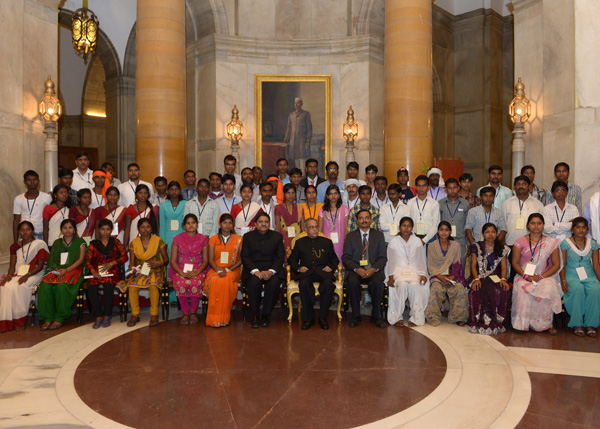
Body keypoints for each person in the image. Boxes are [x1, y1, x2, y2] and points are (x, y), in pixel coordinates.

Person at [511, 213, 561, 334]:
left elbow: (556, 265)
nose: (536, 226)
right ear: (528, 225)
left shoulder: (551, 242)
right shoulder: (520, 241)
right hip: (523, 275)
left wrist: (540, 276)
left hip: (543, 275)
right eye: (533, 223)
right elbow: (515, 262)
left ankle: (546, 324)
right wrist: (526, 276)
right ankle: (522, 323)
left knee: (548, 288)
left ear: (543, 225)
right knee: (523, 289)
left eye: (539, 223)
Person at [37, 219, 87, 330]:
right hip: (57, 270)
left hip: (73, 270)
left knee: (61, 286)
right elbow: (52, 260)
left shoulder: (80, 242)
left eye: (70, 227)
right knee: (44, 286)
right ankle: (48, 317)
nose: (67, 230)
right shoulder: (57, 243)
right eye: (65, 227)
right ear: (61, 230)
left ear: (74, 229)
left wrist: (66, 270)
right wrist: (56, 269)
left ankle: (59, 317)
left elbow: (80, 260)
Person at [289, 218, 339, 330]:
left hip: (323, 272)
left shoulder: (326, 242)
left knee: (328, 285)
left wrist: (330, 267)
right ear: (306, 229)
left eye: (316, 227)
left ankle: (323, 318)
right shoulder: (299, 242)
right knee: (304, 284)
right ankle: (308, 319)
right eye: (312, 227)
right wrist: (298, 268)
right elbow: (292, 260)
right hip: (307, 273)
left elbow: (334, 260)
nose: (315, 229)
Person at [118, 218, 169, 328]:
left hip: (155, 269)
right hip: (140, 270)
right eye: (142, 227)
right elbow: (131, 263)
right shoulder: (134, 243)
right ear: (138, 229)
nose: (145, 229)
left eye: (148, 227)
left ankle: (154, 314)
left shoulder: (158, 240)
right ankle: (135, 314)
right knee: (132, 286)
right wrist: (133, 268)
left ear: (151, 228)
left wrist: (159, 264)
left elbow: (166, 260)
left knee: (153, 285)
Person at [342, 209, 388, 328]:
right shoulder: (350, 236)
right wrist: (358, 269)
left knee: (378, 282)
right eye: (361, 218)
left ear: (371, 220)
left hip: (373, 270)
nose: (364, 220)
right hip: (356, 270)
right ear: (357, 221)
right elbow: (346, 258)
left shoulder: (378, 235)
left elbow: (383, 257)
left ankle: (376, 316)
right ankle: (356, 316)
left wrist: (373, 269)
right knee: (352, 281)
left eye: (366, 218)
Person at [0, 221, 49, 332]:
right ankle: (6, 322)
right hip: (19, 274)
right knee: (5, 287)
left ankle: (19, 321)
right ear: (18, 232)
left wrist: (28, 274)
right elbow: (12, 265)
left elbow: (41, 266)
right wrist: (9, 276)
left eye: (28, 229)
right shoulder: (14, 246)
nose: (25, 232)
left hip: (36, 273)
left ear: (33, 231)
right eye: (22, 230)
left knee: (20, 287)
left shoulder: (40, 244)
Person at [241, 212, 285, 328]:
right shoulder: (248, 237)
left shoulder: (277, 236)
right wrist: (255, 271)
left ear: (269, 224)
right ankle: (255, 315)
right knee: (253, 283)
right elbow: (245, 257)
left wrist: (271, 271)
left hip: (272, 270)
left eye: (266, 222)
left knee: (274, 283)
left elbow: (280, 257)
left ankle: (266, 314)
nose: (264, 224)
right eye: (261, 222)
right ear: (255, 224)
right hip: (253, 270)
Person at [559, 217, 600, 337]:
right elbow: (562, 264)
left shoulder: (593, 243)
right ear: (572, 229)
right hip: (571, 273)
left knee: (595, 289)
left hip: (589, 273)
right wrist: (563, 280)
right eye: (578, 227)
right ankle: (577, 323)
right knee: (578, 289)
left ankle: (591, 324)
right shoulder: (565, 243)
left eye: (583, 227)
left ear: (587, 229)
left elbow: (596, 265)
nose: (581, 230)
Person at [468, 223, 511, 335]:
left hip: (496, 277)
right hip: (479, 276)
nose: (490, 234)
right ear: (483, 234)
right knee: (478, 289)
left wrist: (503, 279)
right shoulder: (476, 246)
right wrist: (476, 279)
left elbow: (504, 267)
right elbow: (473, 266)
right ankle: (479, 321)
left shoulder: (502, 248)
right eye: (487, 232)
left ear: (496, 234)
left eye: (493, 232)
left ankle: (498, 322)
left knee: (501, 290)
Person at [85, 219, 128, 329]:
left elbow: (124, 257)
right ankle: (98, 315)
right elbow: (88, 261)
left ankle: (107, 314)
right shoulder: (93, 244)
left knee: (108, 284)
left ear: (111, 230)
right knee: (91, 286)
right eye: (102, 229)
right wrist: (93, 272)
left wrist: (113, 263)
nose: (105, 232)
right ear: (99, 230)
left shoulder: (116, 242)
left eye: (108, 229)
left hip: (112, 272)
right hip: (96, 273)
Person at [386, 217, 429, 327]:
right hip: (398, 270)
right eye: (404, 225)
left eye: (409, 226)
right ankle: (397, 317)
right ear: (400, 227)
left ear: (412, 228)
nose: (406, 228)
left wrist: (423, 274)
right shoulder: (393, 242)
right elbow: (390, 261)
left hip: (414, 270)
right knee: (403, 285)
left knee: (415, 284)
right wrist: (390, 277)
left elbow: (421, 259)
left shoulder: (417, 241)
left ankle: (416, 317)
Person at [424, 222, 469, 326]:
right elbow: (430, 266)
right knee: (435, 288)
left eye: (446, 230)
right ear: (438, 231)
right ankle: (433, 316)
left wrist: (452, 276)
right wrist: (440, 276)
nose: (444, 232)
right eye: (441, 229)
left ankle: (458, 317)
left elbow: (457, 263)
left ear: (450, 232)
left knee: (459, 288)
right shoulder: (431, 246)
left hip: (452, 276)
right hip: (437, 276)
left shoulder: (455, 245)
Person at [205, 214, 243, 327]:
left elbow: (242, 259)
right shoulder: (213, 239)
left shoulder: (239, 239)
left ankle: (224, 317)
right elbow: (210, 259)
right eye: (224, 222)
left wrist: (228, 269)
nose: (227, 225)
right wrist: (218, 269)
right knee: (216, 281)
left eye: (230, 223)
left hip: (234, 270)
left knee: (225, 280)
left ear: (233, 225)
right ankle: (214, 318)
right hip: (215, 269)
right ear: (220, 224)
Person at [170, 214, 209, 325]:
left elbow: (205, 260)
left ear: (197, 225)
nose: (191, 225)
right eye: (188, 223)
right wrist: (181, 272)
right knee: (181, 283)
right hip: (181, 269)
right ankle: (185, 313)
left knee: (195, 282)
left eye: (193, 222)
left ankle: (193, 312)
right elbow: (173, 261)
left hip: (198, 269)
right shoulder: (177, 238)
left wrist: (196, 272)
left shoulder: (203, 239)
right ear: (184, 226)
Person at [502, 175, 544, 247]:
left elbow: (542, 225)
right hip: (511, 243)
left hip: (532, 244)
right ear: (514, 187)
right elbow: (502, 225)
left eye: (524, 184)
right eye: (518, 184)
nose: (521, 186)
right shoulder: (506, 203)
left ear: (529, 187)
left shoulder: (538, 204)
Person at [439, 178, 471, 267]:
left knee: (460, 266)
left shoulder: (465, 204)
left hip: (461, 241)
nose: (452, 190)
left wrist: (468, 244)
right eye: (449, 188)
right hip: (445, 240)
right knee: (445, 267)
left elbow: (467, 224)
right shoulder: (440, 204)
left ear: (458, 188)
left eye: (455, 187)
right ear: (445, 189)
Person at [13, 170, 52, 242]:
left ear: (38, 181)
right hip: (23, 235)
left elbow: (50, 219)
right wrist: (15, 241)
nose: (32, 182)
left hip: (40, 234)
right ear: (24, 182)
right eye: (29, 180)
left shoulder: (46, 197)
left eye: (34, 180)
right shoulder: (18, 199)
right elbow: (16, 221)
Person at [318, 185, 349, 262]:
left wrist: (345, 242)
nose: (333, 196)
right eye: (330, 194)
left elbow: (346, 228)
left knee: (340, 263)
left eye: (335, 193)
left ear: (339, 195)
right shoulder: (322, 210)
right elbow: (320, 229)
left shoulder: (345, 209)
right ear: (327, 196)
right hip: (326, 241)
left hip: (341, 241)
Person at [407, 175, 440, 243]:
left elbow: (435, 225)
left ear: (428, 187)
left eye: (424, 186)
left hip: (430, 238)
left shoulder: (434, 203)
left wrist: (424, 240)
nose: (421, 188)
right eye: (419, 186)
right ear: (416, 187)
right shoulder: (410, 203)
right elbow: (408, 222)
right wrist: (414, 238)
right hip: (413, 238)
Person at [158, 181, 186, 260]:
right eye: (172, 189)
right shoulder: (163, 206)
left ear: (180, 191)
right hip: (168, 238)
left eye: (176, 189)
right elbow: (162, 226)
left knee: (181, 260)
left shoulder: (186, 204)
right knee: (169, 260)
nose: (174, 192)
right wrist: (162, 243)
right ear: (168, 191)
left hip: (182, 237)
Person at [275, 183, 304, 261]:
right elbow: (277, 226)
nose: (291, 195)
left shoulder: (300, 207)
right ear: (284, 194)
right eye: (288, 193)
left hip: (297, 239)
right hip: (284, 239)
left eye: (293, 193)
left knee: (297, 261)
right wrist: (277, 242)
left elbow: (302, 227)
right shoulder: (278, 208)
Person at [283, 97, 313, 169]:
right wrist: (286, 137)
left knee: (302, 158)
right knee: (295, 158)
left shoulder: (306, 114)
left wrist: (308, 138)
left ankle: (302, 174)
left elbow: (309, 127)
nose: (296, 104)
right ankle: (298, 175)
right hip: (293, 140)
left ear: (301, 104)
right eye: (295, 103)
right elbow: (289, 127)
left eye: (298, 103)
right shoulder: (291, 115)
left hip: (302, 140)